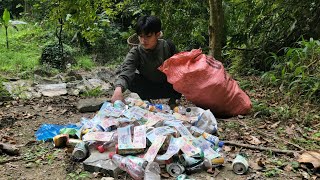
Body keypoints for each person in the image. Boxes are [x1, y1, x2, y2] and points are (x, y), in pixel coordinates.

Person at [111, 15, 181, 106]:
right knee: (133, 79)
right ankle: (146, 101)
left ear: (157, 34)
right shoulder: (136, 52)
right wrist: (118, 90)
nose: (143, 40)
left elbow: (183, 64)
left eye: (148, 36)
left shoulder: (168, 46)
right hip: (148, 87)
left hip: (168, 86)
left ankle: (173, 100)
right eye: (141, 36)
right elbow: (126, 71)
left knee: (181, 74)